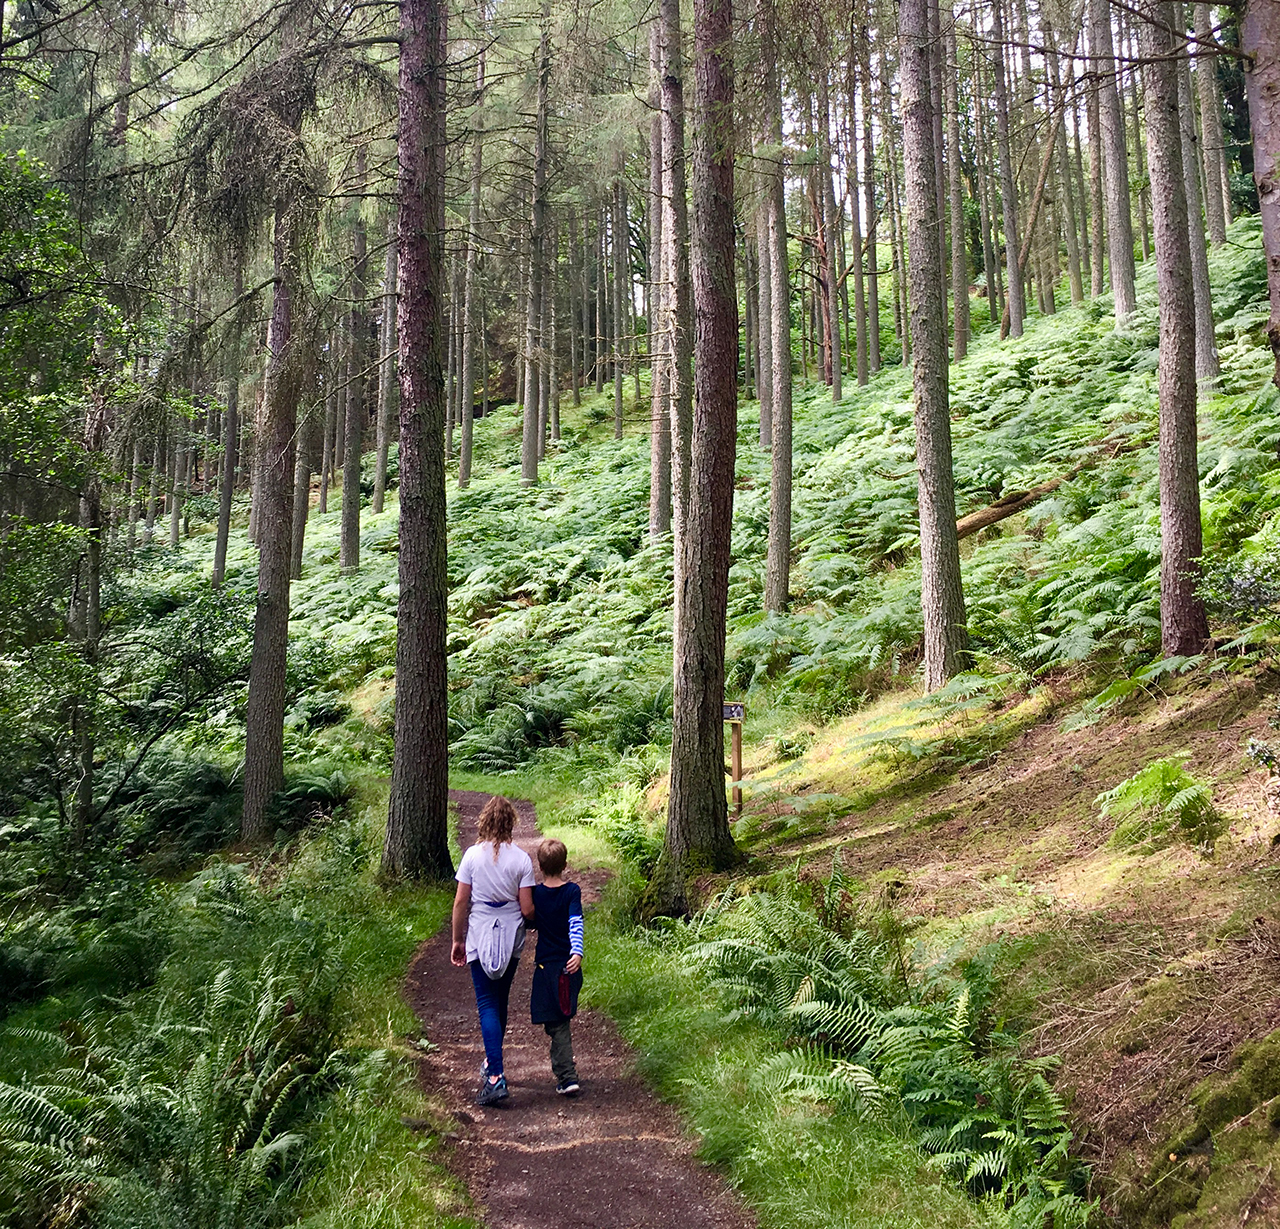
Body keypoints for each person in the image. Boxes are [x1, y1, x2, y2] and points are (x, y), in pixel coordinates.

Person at [451, 796, 536, 1107]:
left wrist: (457, 940)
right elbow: (527, 909)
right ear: (511, 822)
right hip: (511, 935)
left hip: (480, 933)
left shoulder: (472, 856)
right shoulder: (522, 860)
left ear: (484, 821)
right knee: (500, 1002)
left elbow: (461, 902)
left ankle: (496, 1076)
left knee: (486, 1003)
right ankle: (492, 1063)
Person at [529, 837, 583, 1096]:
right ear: (565, 864)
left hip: (548, 967)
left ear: (540, 866)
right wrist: (577, 951)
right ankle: (564, 1069)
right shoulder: (572, 891)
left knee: (558, 1022)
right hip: (568, 966)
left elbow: (527, 919)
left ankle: (567, 1076)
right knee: (557, 1019)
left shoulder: (536, 895)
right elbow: (576, 923)